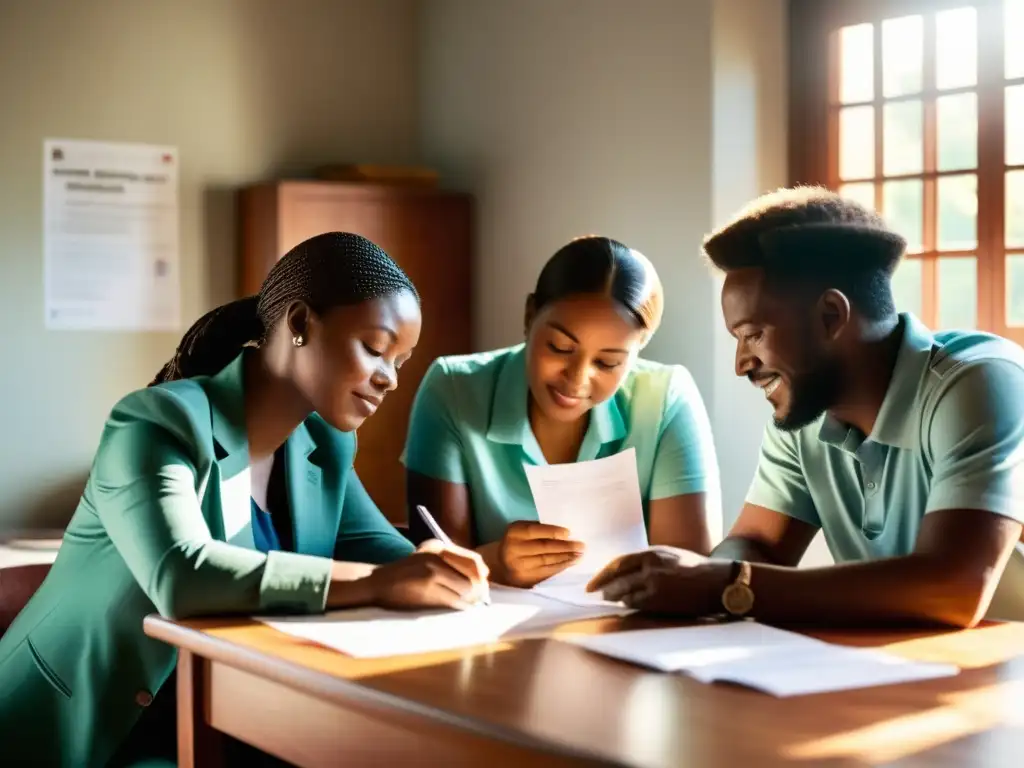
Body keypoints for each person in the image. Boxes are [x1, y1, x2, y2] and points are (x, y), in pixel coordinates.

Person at [0, 232, 488, 767]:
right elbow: (182, 577)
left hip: (221, 714)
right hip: (84, 731)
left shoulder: (324, 444)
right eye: (375, 349)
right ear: (299, 324)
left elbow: (385, 553)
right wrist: (381, 583)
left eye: (400, 360)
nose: (390, 379)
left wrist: (474, 567)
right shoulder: (154, 423)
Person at [587, 187, 1024, 628]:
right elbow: (756, 544)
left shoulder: (980, 383)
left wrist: (726, 583)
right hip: (898, 671)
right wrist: (705, 576)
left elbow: (955, 587)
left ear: (832, 316)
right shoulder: (802, 418)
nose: (741, 364)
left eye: (753, 333)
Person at [403, 235, 720, 589]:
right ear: (529, 315)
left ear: (637, 351)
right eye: (560, 347)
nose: (577, 378)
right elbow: (435, 562)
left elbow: (687, 573)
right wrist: (495, 563)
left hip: (628, 629)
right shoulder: (454, 389)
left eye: (608, 362)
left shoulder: (666, 399)